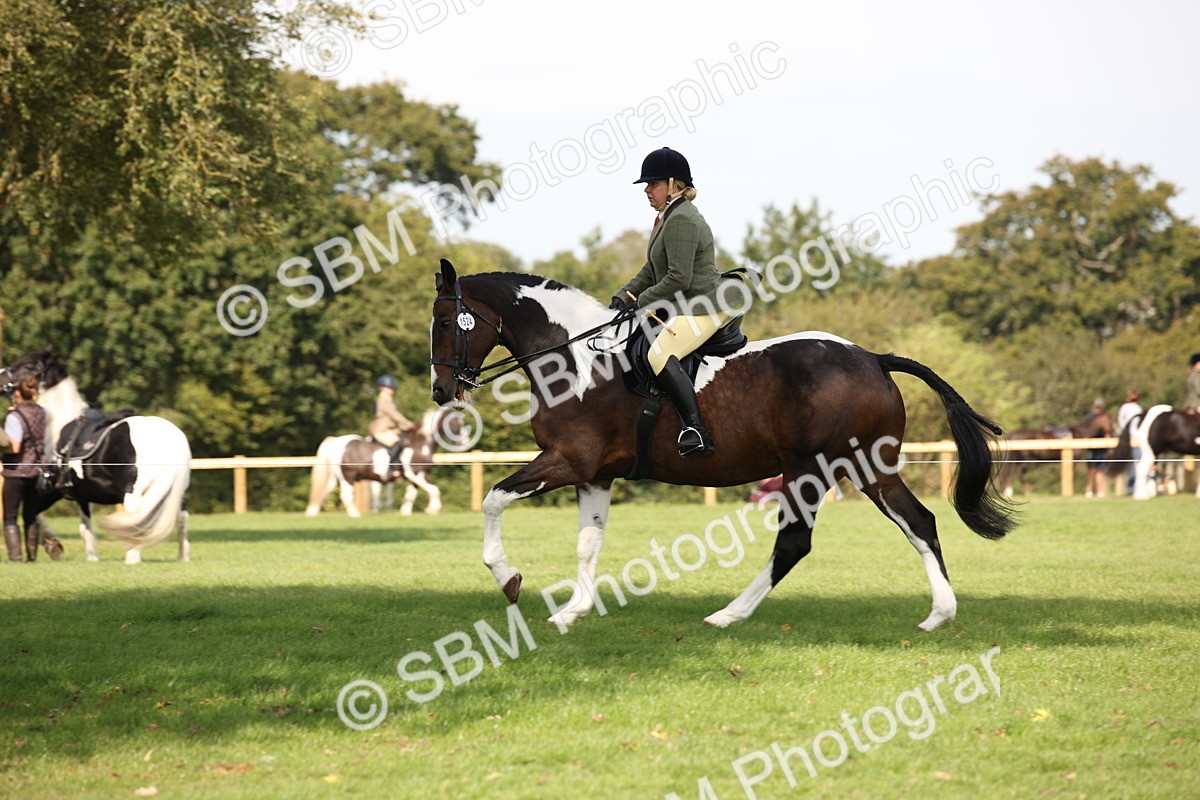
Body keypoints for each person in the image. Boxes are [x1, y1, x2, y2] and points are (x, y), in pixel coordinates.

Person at [611, 147, 733, 457]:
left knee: (659, 354)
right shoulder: (666, 217)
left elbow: (678, 277)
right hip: (684, 304)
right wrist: (624, 295)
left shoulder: (681, 221)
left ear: (673, 184)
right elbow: (652, 271)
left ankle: (696, 429)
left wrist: (641, 302)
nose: (647, 191)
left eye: (653, 184)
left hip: (705, 306)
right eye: (646, 186)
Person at [2, 376, 62, 562]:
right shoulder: (42, 413)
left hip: (17, 470)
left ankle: (16, 559)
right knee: (31, 516)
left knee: (11, 517)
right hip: (38, 469)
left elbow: (15, 447)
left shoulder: (15, 417)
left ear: (18, 393)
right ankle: (32, 558)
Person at [367, 375, 415, 479]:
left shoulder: (387, 399)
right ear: (382, 388)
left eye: (391, 387)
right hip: (382, 430)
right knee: (397, 442)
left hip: (390, 429)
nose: (391, 389)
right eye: (389, 387)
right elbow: (394, 415)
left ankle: (398, 468)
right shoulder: (384, 399)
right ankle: (389, 468)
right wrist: (408, 424)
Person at [1116, 389, 1144, 495]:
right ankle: (1131, 488)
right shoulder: (1130, 408)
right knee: (1133, 464)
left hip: (1135, 439)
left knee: (1135, 464)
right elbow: (1122, 421)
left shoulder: (1135, 408)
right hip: (1130, 439)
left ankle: (1133, 488)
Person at [1083, 398, 1108, 498]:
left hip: (1101, 447)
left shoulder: (1104, 418)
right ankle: (1088, 490)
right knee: (1090, 469)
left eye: (1099, 407)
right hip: (1091, 447)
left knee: (1100, 469)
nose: (1097, 409)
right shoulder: (1089, 418)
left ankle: (1100, 491)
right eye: (1096, 407)